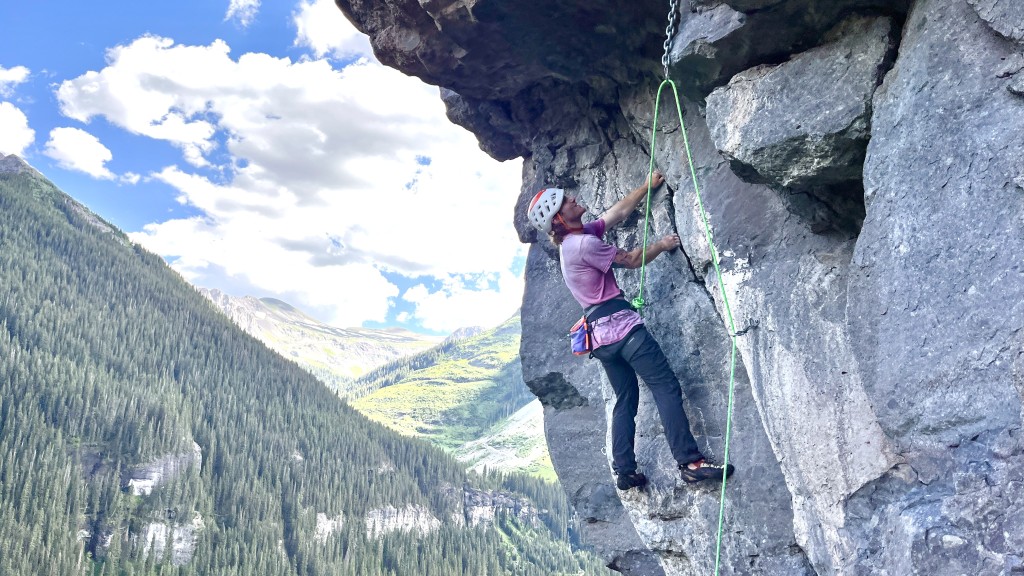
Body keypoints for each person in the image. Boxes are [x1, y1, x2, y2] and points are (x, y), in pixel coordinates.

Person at [527, 171, 735, 490]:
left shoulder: (574, 241)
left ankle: (624, 470)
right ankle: (691, 462)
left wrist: (646, 187)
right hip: (623, 330)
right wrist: (664, 244)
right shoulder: (583, 245)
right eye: (564, 201)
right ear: (558, 219)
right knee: (665, 386)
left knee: (626, 398)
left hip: (600, 337)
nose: (571, 199)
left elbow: (617, 213)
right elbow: (633, 259)